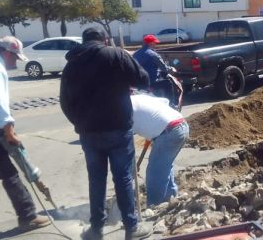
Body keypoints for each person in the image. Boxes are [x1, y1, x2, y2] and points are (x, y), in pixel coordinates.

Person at [60, 28, 150, 240]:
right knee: (124, 178)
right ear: (105, 39)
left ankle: (96, 229)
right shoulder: (116, 55)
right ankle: (132, 227)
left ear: (83, 41)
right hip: (118, 128)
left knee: (96, 180)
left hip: (89, 133)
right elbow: (143, 80)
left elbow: (65, 102)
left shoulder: (71, 64)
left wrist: (80, 123)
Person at [0, 36, 51, 234]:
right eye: (15, 58)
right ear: (7, 52)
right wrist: (9, 131)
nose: (15, 62)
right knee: (9, 174)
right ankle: (28, 215)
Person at [130, 93, 188, 206]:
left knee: (154, 172)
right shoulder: (139, 98)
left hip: (170, 132)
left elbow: (127, 144)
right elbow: (165, 101)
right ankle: (170, 198)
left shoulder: (123, 109)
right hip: (181, 125)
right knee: (165, 165)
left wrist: (132, 168)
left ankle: (154, 206)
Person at [132, 34, 174, 100]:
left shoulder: (135, 54)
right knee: (168, 83)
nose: (155, 44)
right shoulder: (153, 54)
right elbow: (164, 68)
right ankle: (172, 104)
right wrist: (172, 69)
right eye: (154, 42)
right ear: (151, 43)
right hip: (151, 82)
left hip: (139, 82)